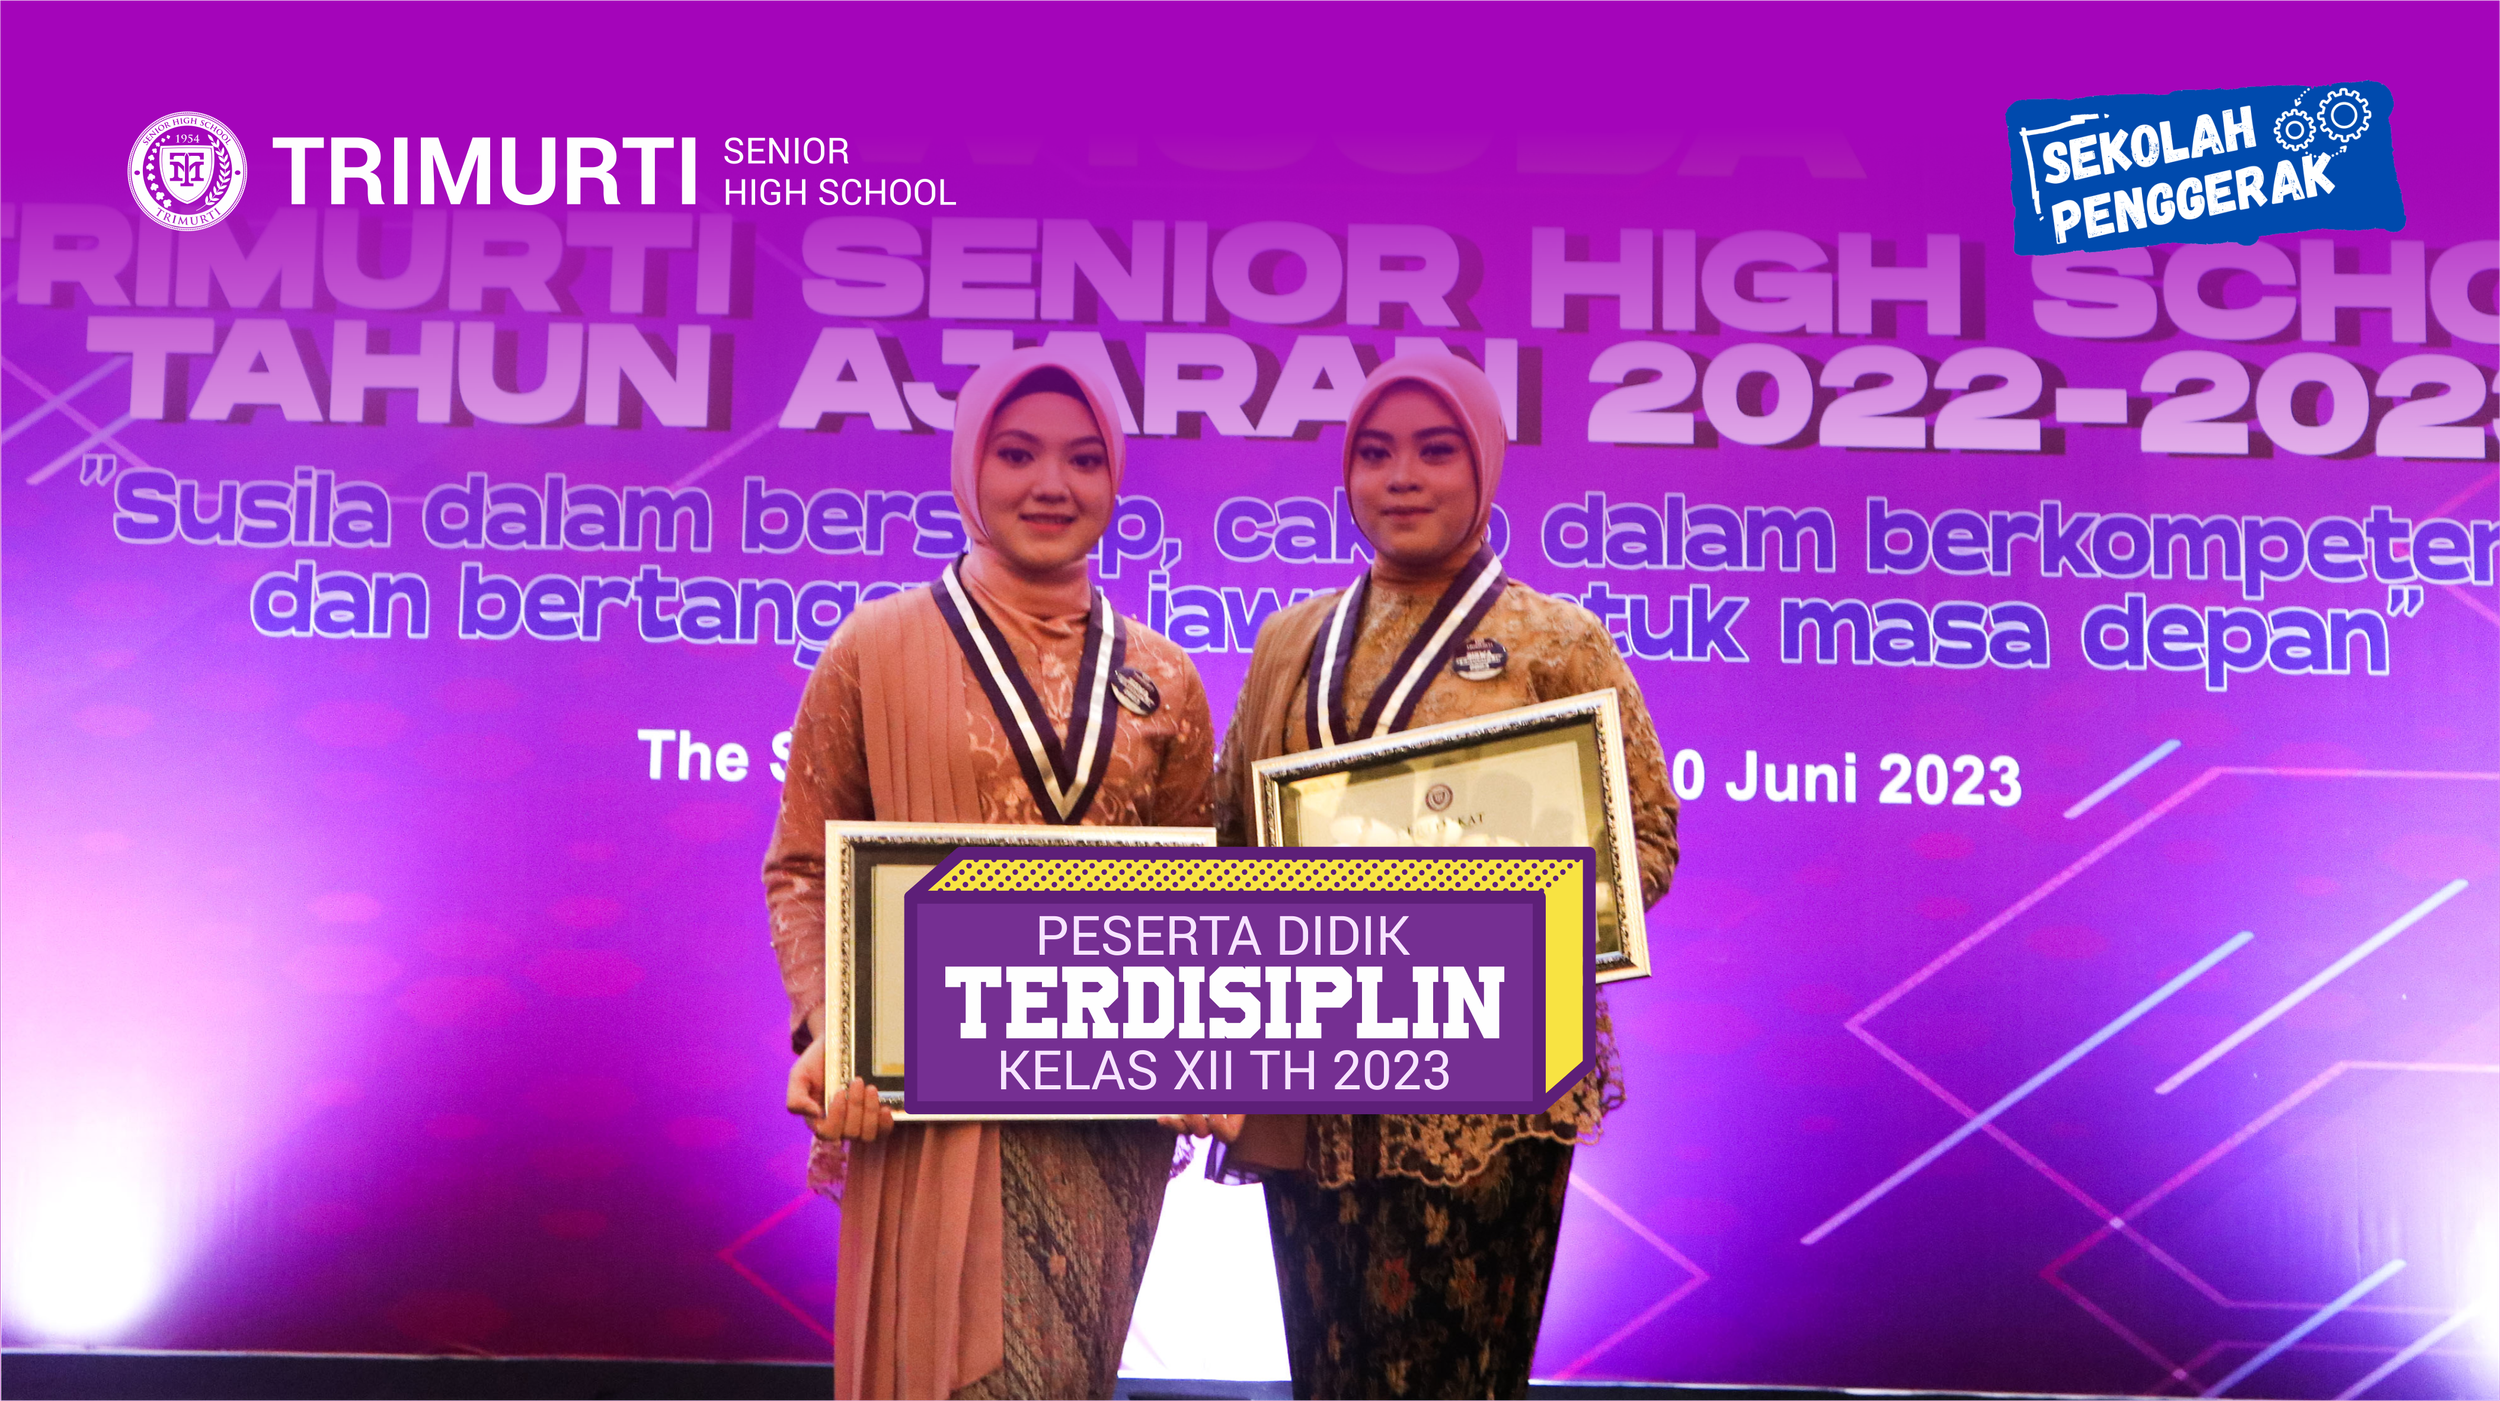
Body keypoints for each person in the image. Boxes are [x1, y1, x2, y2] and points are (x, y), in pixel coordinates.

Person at [1192, 352, 1678, 1401]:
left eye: (1435, 450)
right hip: (1317, 1090)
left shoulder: (1556, 641)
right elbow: (1234, 847)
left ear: (1484, 465)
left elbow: (1644, 844)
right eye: (1375, 453)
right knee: (1329, 1376)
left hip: (1481, 1100)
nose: (1402, 477)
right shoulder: (1288, 641)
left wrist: (1502, 933)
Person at [763, 348, 1213, 1401]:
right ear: (971, 465)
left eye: (1084, 459)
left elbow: (1199, 896)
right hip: (928, 1103)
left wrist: (1215, 1054)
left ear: (1116, 477)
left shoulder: (1166, 677)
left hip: (1102, 1122)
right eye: (1017, 454)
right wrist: (833, 1026)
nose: (1052, 484)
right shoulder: (873, 649)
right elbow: (803, 867)